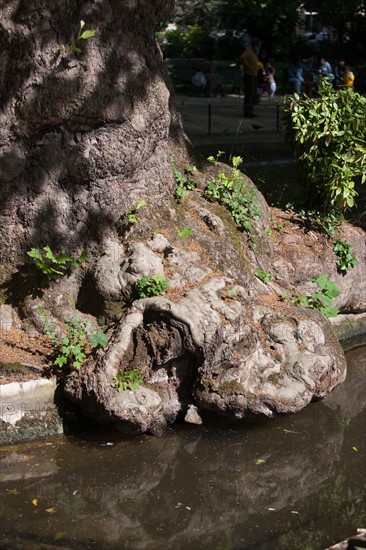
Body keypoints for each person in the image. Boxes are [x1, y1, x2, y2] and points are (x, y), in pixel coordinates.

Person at [237, 37, 262, 118]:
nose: (259, 47)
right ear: (255, 45)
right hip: (249, 75)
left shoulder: (254, 53)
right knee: (249, 94)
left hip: (254, 75)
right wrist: (247, 66)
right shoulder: (248, 51)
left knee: (254, 94)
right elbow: (242, 58)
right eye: (258, 46)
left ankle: (250, 111)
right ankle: (247, 112)